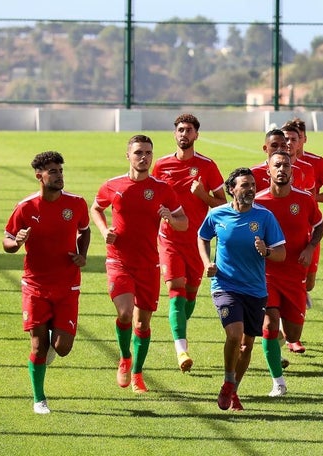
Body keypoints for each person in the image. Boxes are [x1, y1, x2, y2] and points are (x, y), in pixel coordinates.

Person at [91, 135, 188, 394]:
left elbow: (184, 222)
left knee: (142, 324)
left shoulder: (162, 188)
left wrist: (170, 218)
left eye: (148, 152)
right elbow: (96, 208)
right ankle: (125, 357)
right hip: (119, 260)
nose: (143, 157)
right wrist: (104, 231)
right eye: (138, 153)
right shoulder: (113, 185)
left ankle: (137, 373)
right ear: (128, 156)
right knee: (124, 313)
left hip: (148, 264)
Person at [3, 151, 91, 414]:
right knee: (38, 346)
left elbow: (84, 231)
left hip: (67, 284)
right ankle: (39, 399)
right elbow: (7, 241)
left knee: (62, 349)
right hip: (35, 285)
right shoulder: (26, 207)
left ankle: (53, 334)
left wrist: (82, 254)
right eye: (53, 171)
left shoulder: (76, 203)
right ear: (39, 176)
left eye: (60, 171)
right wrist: (16, 243)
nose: (59, 175)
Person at [198, 167, 288, 411]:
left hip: (256, 290)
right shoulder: (217, 215)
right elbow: (203, 236)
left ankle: (235, 389)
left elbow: (281, 253)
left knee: (247, 345)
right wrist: (208, 263)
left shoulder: (265, 217)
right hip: (225, 285)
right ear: (231, 190)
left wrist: (266, 251)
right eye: (245, 185)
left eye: (252, 185)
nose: (250, 189)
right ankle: (228, 382)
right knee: (235, 335)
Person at [152, 113, 226, 373]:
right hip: (169, 237)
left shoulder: (207, 166)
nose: (184, 134)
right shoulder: (160, 166)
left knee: (190, 294)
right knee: (175, 289)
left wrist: (203, 195)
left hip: (197, 241)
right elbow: (151, 199)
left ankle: (179, 326)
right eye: (180, 130)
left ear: (197, 135)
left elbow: (224, 205)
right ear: (175, 134)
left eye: (189, 130)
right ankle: (181, 349)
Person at [254, 151, 323, 355]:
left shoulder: (304, 199)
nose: (282, 169)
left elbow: (319, 226)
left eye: (286, 165)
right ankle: (277, 376)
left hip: (295, 275)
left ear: (292, 170)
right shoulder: (258, 203)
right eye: (277, 165)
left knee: (293, 334)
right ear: (268, 170)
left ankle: (280, 344)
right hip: (267, 274)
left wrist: (311, 247)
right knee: (270, 324)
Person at [285, 117, 323, 310]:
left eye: (296, 137)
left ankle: (301, 292)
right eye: (287, 138)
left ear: (303, 139)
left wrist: (309, 200)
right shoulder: (273, 166)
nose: (291, 143)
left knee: (309, 282)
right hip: (283, 229)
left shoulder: (314, 164)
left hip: (309, 228)